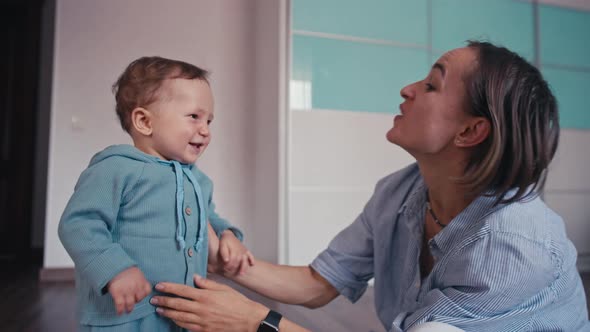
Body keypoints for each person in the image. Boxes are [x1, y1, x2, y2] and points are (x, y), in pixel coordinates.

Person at [151, 41, 590, 331]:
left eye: (431, 85)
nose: (406, 89)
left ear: (470, 131)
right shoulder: (400, 193)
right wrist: (223, 259)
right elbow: (318, 283)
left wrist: (254, 323)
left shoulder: (511, 245)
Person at [58, 56, 254, 332]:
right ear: (144, 121)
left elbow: (208, 218)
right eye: (194, 117)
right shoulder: (115, 169)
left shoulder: (197, 179)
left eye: (209, 120)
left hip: (183, 310)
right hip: (125, 315)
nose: (205, 130)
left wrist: (229, 235)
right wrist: (115, 268)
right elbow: (78, 225)